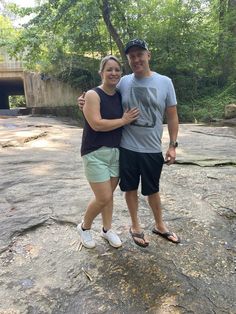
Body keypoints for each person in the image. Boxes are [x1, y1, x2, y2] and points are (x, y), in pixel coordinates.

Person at [78, 39, 180, 247]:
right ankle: (135, 226)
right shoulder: (123, 81)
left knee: (153, 189)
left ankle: (160, 225)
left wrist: (172, 145)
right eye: (131, 56)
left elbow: (172, 115)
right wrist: (84, 102)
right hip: (126, 147)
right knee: (129, 189)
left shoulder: (165, 82)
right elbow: (99, 94)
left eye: (139, 54)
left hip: (152, 147)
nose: (136, 59)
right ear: (128, 59)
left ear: (148, 55)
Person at [78, 55, 139, 249]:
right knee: (103, 197)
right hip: (94, 152)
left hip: (116, 152)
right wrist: (124, 120)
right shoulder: (93, 94)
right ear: (101, 73)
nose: (113, 73)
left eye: (117, 70)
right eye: (109, 69)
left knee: (109, 196)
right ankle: (84, 227)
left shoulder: (121, 94)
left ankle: (106, 230)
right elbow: (96, 124)